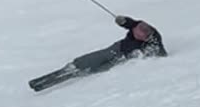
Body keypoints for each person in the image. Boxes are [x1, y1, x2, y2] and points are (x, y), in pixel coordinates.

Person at [29, 15, 166, 91]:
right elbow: (130, 23)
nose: (136, 34)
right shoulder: (140, 26)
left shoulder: (153, 40)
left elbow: (160, 55)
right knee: (91, 60)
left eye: (140, 36)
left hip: (122, 59)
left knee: (98, 70)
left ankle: (76, 74)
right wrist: (122, 21)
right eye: (135, 33)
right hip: (116, 49)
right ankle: (64, 71)